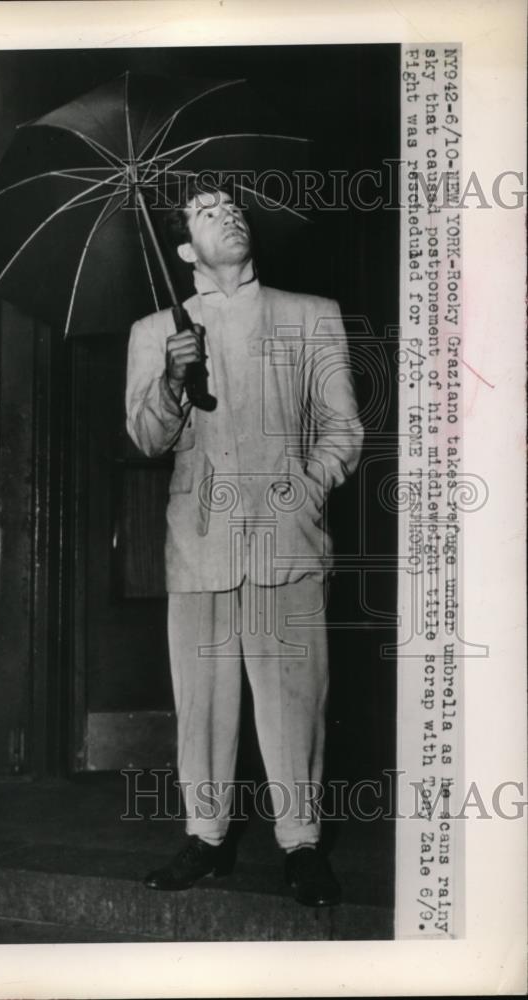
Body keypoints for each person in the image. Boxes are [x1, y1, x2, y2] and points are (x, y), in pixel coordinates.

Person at [125, 176, 363, 906]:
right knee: (201, 703)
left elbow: (342, 428)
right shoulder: (155, 332)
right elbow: (146, 439)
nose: (228, 216)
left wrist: (306, 487)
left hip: (287, 538)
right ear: (184, 250)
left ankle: (302, 844)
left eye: (232, 207)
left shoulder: (311, 315)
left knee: (295, 700)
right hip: (200, 544)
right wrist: (172, 380)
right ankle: (206, 838)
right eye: (206, 212)